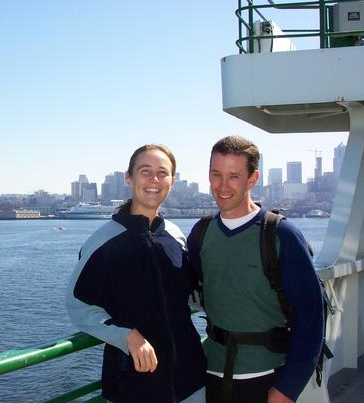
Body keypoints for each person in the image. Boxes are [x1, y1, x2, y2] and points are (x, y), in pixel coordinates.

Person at [187, 136, 324, 403]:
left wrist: (287, 389)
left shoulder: (281, 234)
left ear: (252, 179)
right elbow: (181, 288)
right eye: (216, 174)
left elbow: (311, 317)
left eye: (234, 176)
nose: (222, 186)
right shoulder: (201, 234)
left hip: (268, 376)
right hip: (213, 373)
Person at [66, 144, 206, 403]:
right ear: (129, 178)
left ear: (172, 181)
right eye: (145, 171)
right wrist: (126, 335)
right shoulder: (104, 242)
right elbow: (78, 305)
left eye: (162, 173)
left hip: (192, 382)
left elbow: (192, 295)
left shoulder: (176, 237)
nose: (154, 180)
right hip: (134, 386)